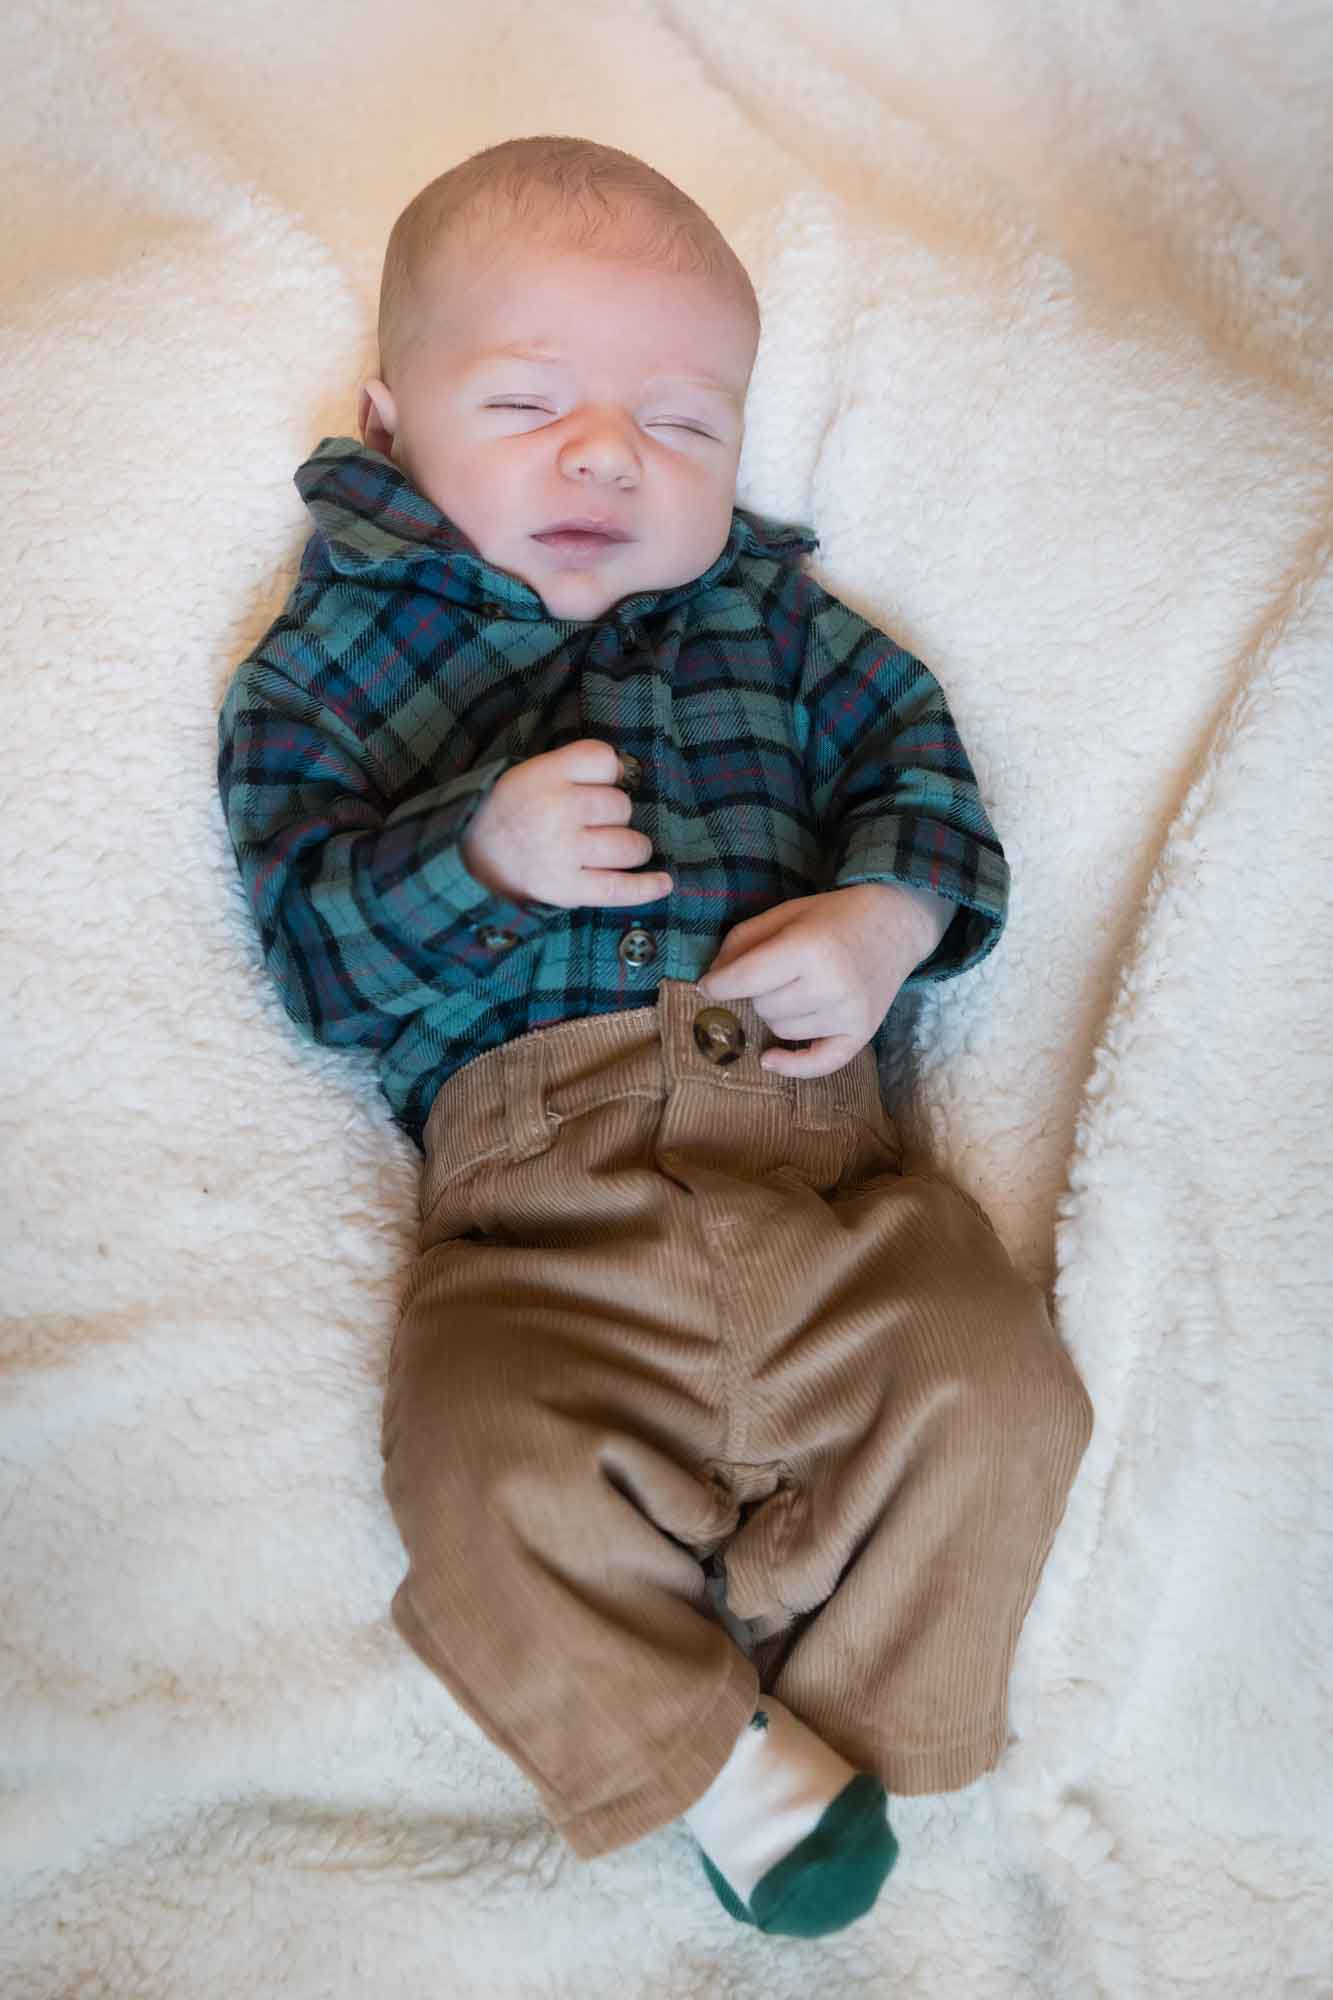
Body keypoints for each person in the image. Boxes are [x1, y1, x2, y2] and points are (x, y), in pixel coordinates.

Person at [216, 135, 1093, 1939]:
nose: (608, 454)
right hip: (536, 1236)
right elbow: (314, 949)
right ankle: (718, 1765)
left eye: (683, 425)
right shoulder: (333, 662)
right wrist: (473, 855)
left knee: (998, 1389)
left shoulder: (778, 628)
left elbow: (921, 776)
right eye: (530, 401)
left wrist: (885, 923)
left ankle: (852, 1730)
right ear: (391, 424)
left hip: (827, 1175)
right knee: (472, 1475)